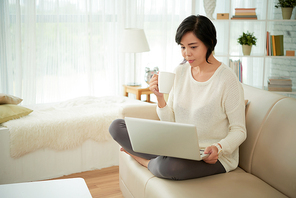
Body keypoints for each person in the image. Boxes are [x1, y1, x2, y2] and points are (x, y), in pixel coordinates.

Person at [109, 15, 246, 180]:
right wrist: (160, 98)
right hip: (176, 148)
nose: (186, 54)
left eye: (193, 47)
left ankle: (145, 161)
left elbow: (239, 130)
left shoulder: (227, 80)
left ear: (209, 42)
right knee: (116, 126)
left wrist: (219, 147)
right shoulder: (180, 72)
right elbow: (170, 122)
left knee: (170, 167)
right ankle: (159, 159)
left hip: (211, 156)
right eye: (182, 47)